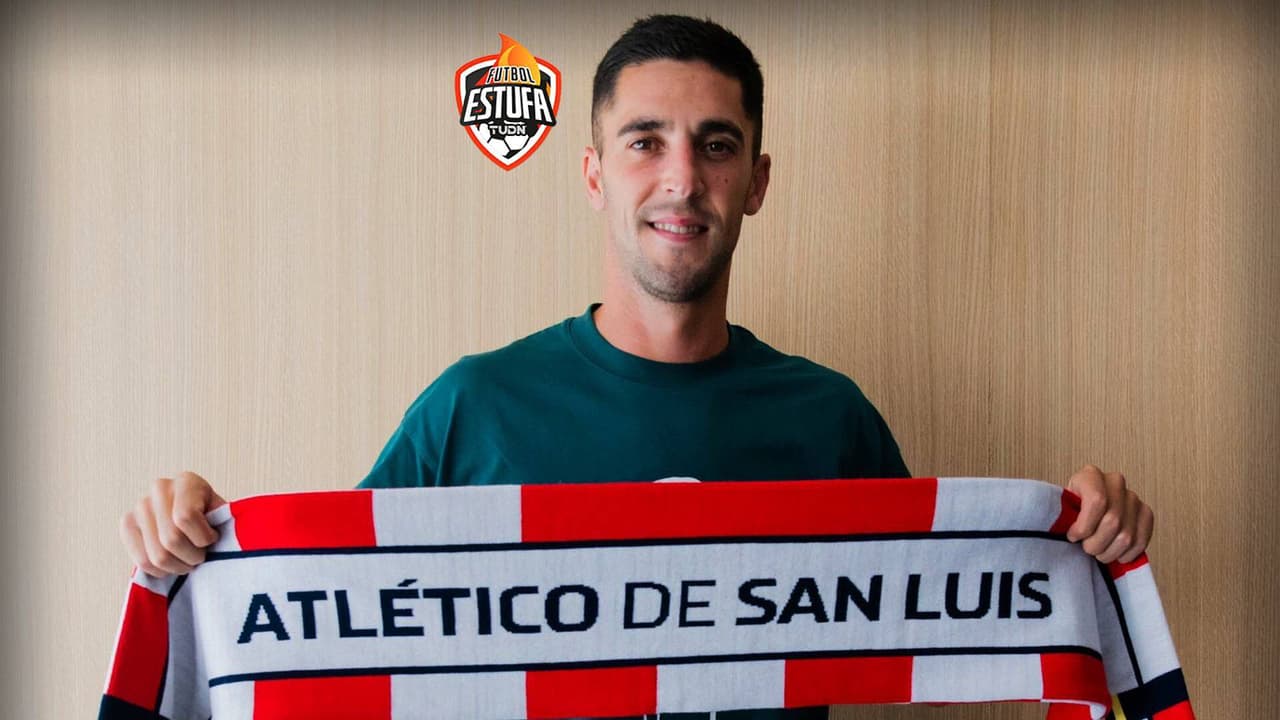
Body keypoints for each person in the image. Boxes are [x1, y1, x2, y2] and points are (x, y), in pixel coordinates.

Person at [118, 14, 1155, 720]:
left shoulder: (828, 418)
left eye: (715, 145)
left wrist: (1076, 536)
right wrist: (200, 543)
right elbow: (323, 624)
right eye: (644, 141)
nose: (680, 178)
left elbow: (956, 610)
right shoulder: (473, 407)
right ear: (593, 174)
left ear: (756, 181)